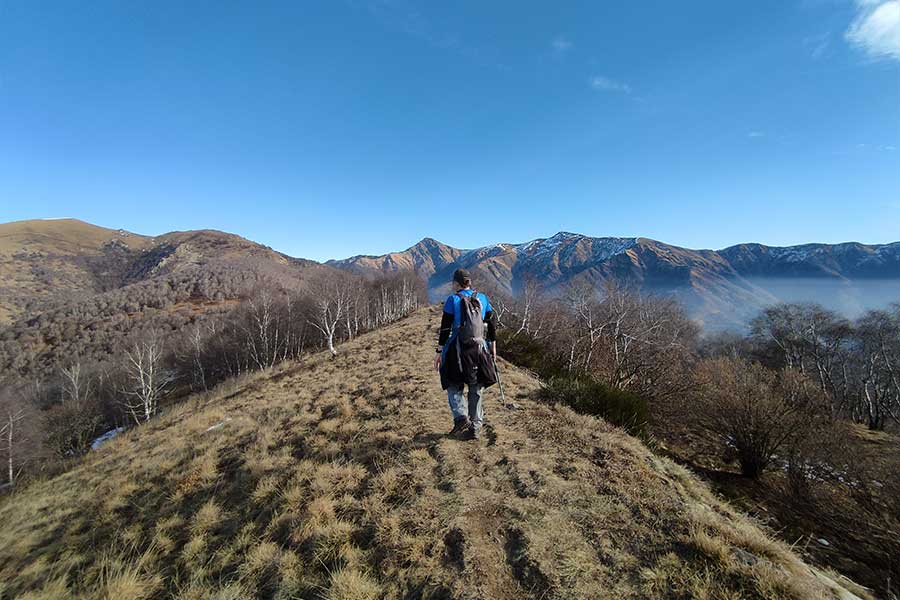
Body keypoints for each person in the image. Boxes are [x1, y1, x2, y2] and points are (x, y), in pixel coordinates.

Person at [434, 268, 497, 440]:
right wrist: (492, 345)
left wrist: (439, 351)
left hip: (457, 349)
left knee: (453, 382)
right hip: (478, 348)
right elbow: (491, 323)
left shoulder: (452, 299)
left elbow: (445, 328)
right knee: (476, 387)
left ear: (456, 283)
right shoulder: (482, 298)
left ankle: (461, 417)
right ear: (469, 282)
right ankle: (476, 426)